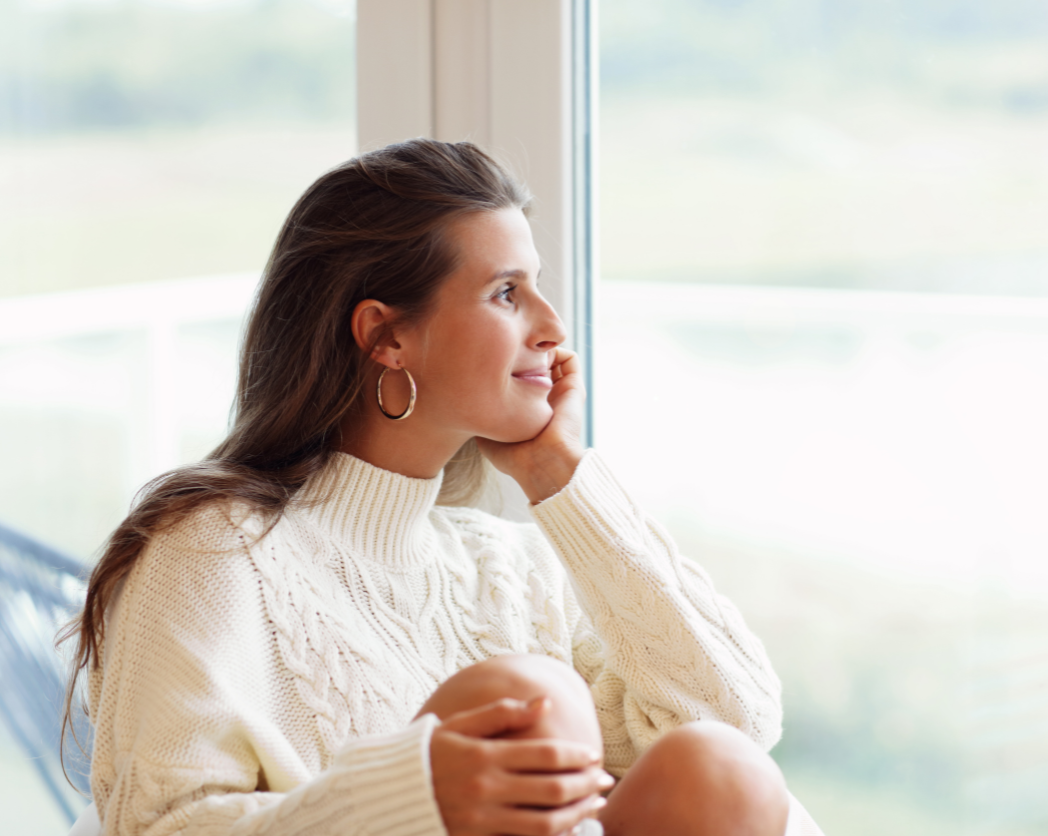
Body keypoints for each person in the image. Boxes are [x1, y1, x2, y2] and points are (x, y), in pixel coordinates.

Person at [62, 139, 794, 836]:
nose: (552, 327)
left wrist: (559, 475)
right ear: (386, 337)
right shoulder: (215, 553)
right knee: (526, 702)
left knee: (717, 763)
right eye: (507, 293)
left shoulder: (506, 567)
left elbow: (735, 720)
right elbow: (156, 825)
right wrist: (410, 800)